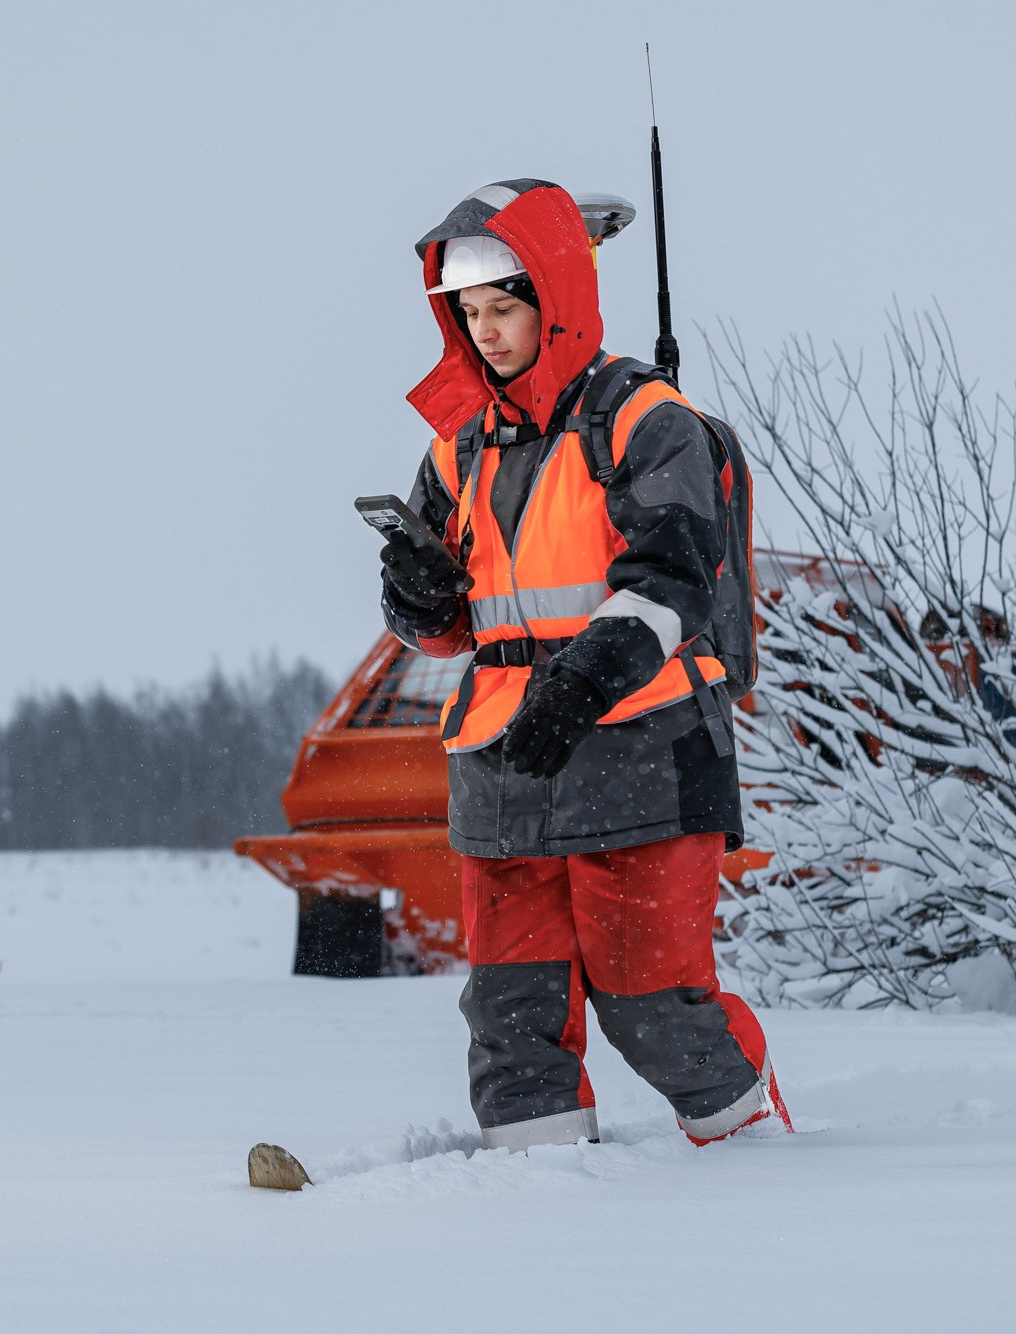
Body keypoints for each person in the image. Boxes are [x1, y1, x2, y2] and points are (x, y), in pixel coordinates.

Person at [379, 178, 790, 1151]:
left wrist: (584, 680)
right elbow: (441, 632)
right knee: (510, 1020)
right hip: (504, 762)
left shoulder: (644, 421)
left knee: (651, 1000)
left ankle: (756, 1162)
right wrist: (414, 589)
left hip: (641, 748)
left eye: (503, 306)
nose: (485, 331)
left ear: (554, 294)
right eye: (467, 311)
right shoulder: (453, 453)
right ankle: (534, 1218)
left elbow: (674, 571)